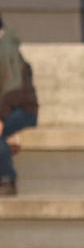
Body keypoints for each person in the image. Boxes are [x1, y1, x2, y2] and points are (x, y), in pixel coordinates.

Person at [0, 14, 39, 195]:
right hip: (11, 109)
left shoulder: (6, 50)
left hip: (23, 110)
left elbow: (13, 90)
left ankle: (7, 178)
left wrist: (1, 117)